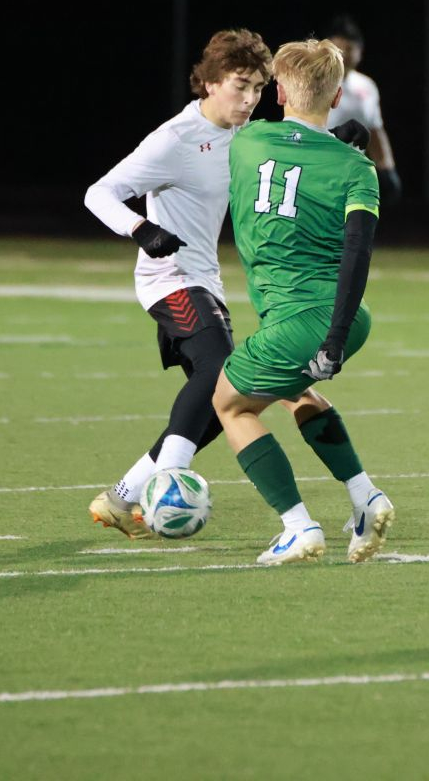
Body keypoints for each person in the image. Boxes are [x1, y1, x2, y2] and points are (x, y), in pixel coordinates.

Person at [82, 29, 273, 538]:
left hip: (206, 280)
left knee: (229, 397)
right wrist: (140, 228)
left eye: (258, 88)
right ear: (209, 83)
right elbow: (99, 193)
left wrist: (337, 139)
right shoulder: (175, 139)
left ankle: (122, 497)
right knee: (217, 370)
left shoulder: (247, 136)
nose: (250, 99)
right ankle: (168, 481)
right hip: (168, 279)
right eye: (240, 86)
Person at [212, 38, 395, 566]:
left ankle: (298, 526)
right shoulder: (357, 168)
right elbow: (358, 251)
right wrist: (336, 338)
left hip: (299, 319)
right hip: (346, 316)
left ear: (279, 92)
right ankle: (365, 496)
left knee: (231, 405)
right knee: (295, 393)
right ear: (337, 97)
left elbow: (287, 155)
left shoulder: (248, 141)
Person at [325, 15, 402, 207]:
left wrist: (387, 168)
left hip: (352, 175)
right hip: (318, 169)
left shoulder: (367, 86)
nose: (343, 53)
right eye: (338, 48)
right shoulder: (316, 81)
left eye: (349, 48)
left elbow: (374, 129)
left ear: (360, 51)